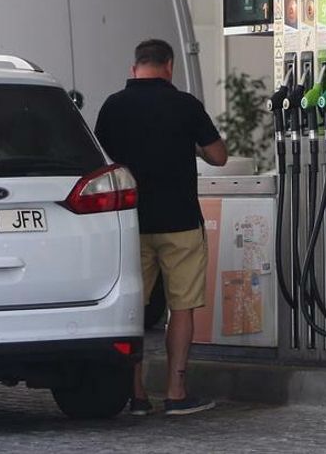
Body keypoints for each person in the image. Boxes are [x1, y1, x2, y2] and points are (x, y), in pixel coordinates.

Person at [93, 38, 227, 416]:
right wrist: (193, 145)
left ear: (134, 68)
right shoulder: (185, 105)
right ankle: (176, 392)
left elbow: (99, 159)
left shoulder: (113, 106)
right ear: (169, 66)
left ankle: (136, 395)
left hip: (130, 222)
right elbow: (219, 156)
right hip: (181, 222)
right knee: (181, 308)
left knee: (132, 309)